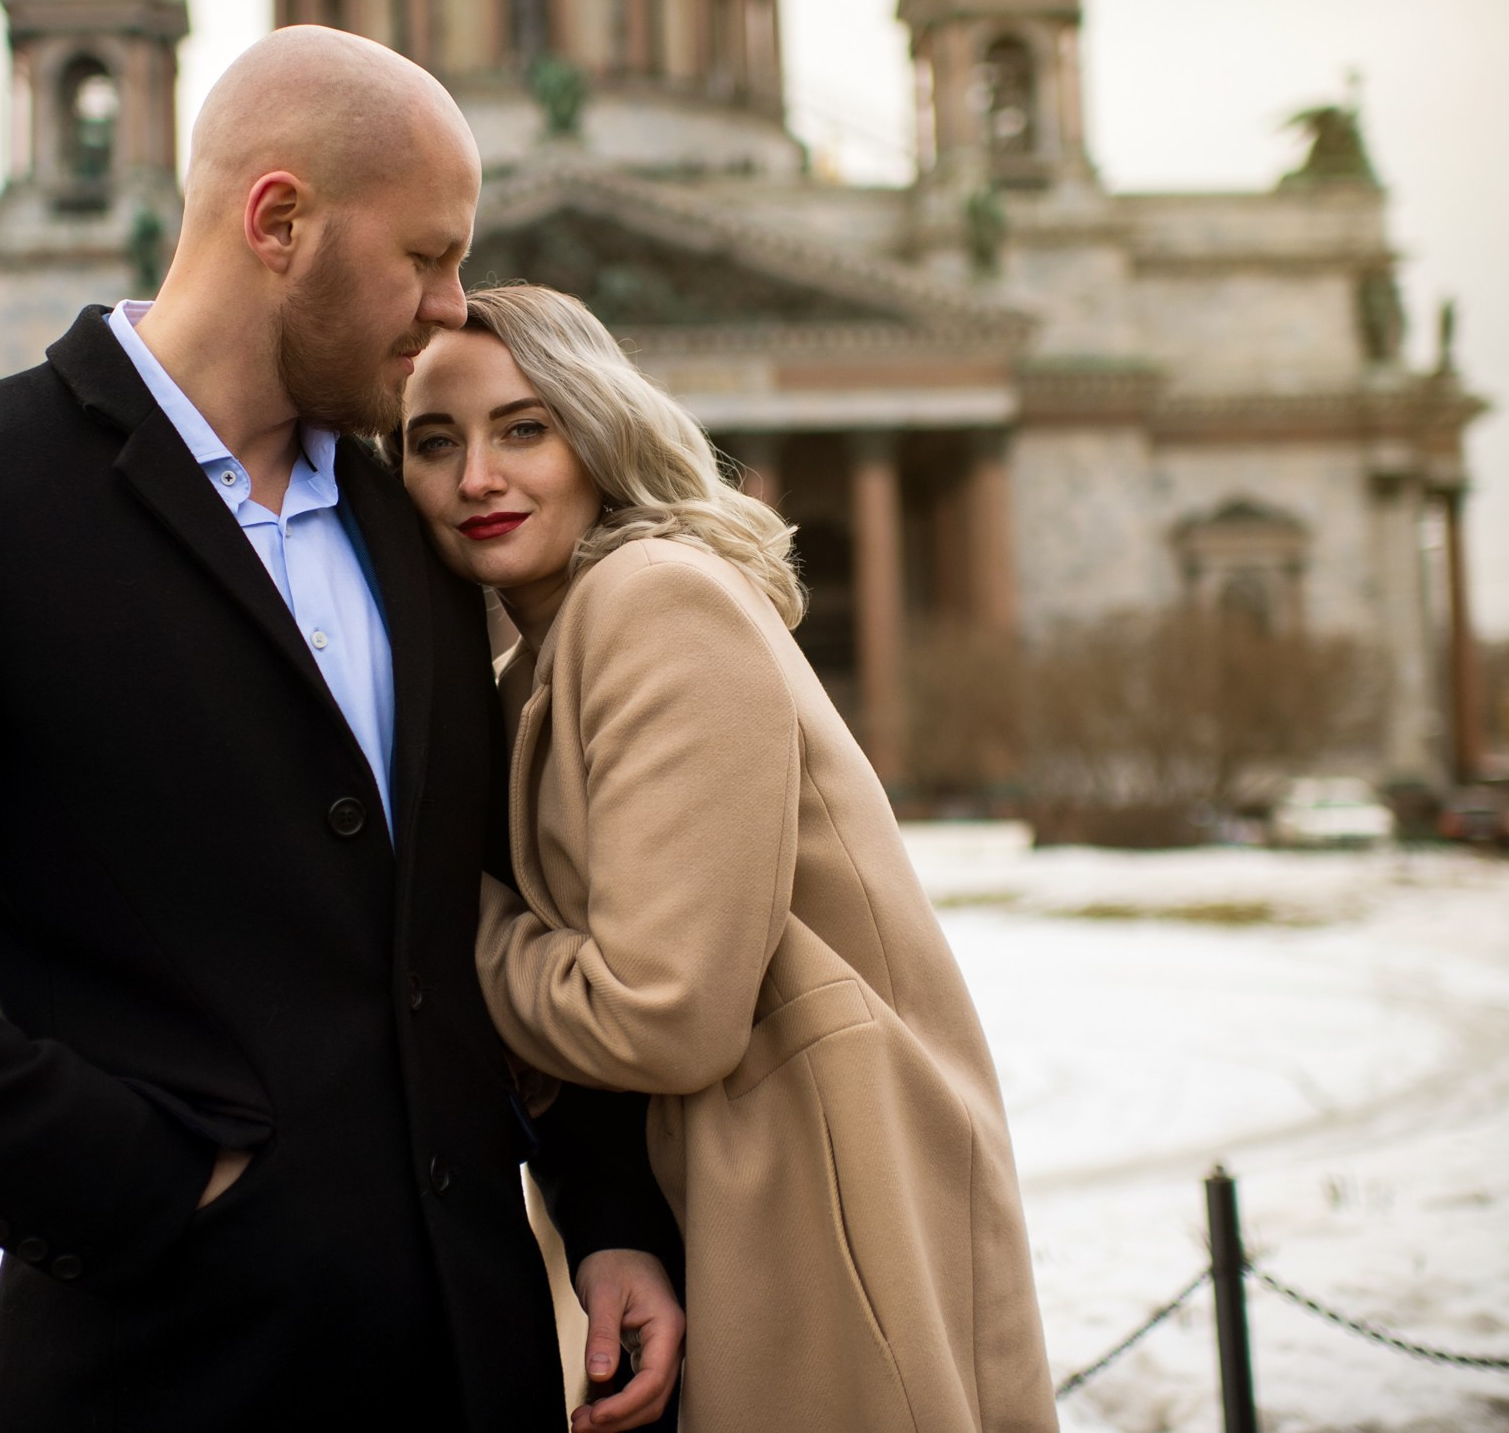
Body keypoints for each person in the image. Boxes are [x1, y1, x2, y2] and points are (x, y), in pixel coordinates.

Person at [0, 30, 684, 1432]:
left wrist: (611, 1211)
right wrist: (127, 1178)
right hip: (169, 1375)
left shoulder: (417, 516)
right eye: (427, 258)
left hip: (478, 1370)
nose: (453, 312)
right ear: (279, 223)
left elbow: (490, 913)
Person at [397, 285, 1060, 1433]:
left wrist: (432, 927)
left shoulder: (655, 602)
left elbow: (662, 1014)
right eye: (433, 442)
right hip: (742, 1198)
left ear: (598, 429)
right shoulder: (544, 658)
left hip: (819, 1214)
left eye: (524, 427)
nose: (477, 479)